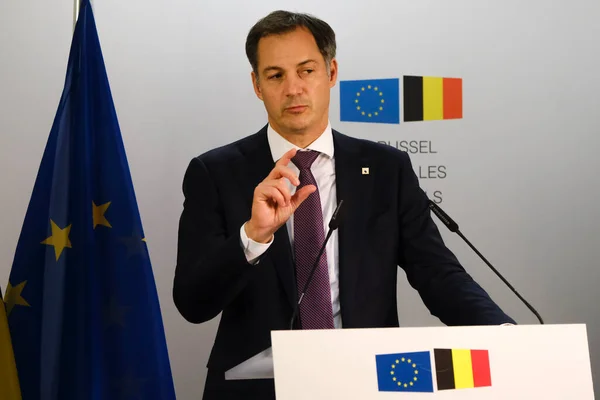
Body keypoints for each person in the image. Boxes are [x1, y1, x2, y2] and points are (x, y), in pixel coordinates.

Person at [173, 10, 515, 400]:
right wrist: (252, 237)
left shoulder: (387, 169)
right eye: (275, 75)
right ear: (256, 84)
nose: (293, 88)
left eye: (306, 71)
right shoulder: (215, 172)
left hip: (367, 382)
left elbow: (438, 274)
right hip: (256, 389)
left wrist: (500, 334)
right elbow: (192, 302)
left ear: (331, 73)